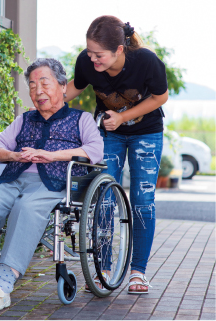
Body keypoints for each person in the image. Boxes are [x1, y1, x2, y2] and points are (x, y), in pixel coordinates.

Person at [0, 58, 104, 310]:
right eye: (33, 86)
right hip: (15, 177)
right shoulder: (24, 120)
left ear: (62, 86)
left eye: (44, 83)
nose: (38, 91)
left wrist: (52, 155)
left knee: (26, 208)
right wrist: (14, 155)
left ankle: (3, 283)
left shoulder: (81, 119)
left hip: (55, 182)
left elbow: (95, 150)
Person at [65, 15, 168, 294]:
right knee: (103, 198)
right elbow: (73, 87)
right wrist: (46, 95)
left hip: (146, 132)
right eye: (89, 52)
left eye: (99, 55)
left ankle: (138, 272)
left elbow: (160, 97)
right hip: (108, 133)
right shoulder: (86, 62)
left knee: (142, 201)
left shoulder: (146, 61)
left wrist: (124, 118)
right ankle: (103, 269)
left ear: (119, 50)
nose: (92, 59)